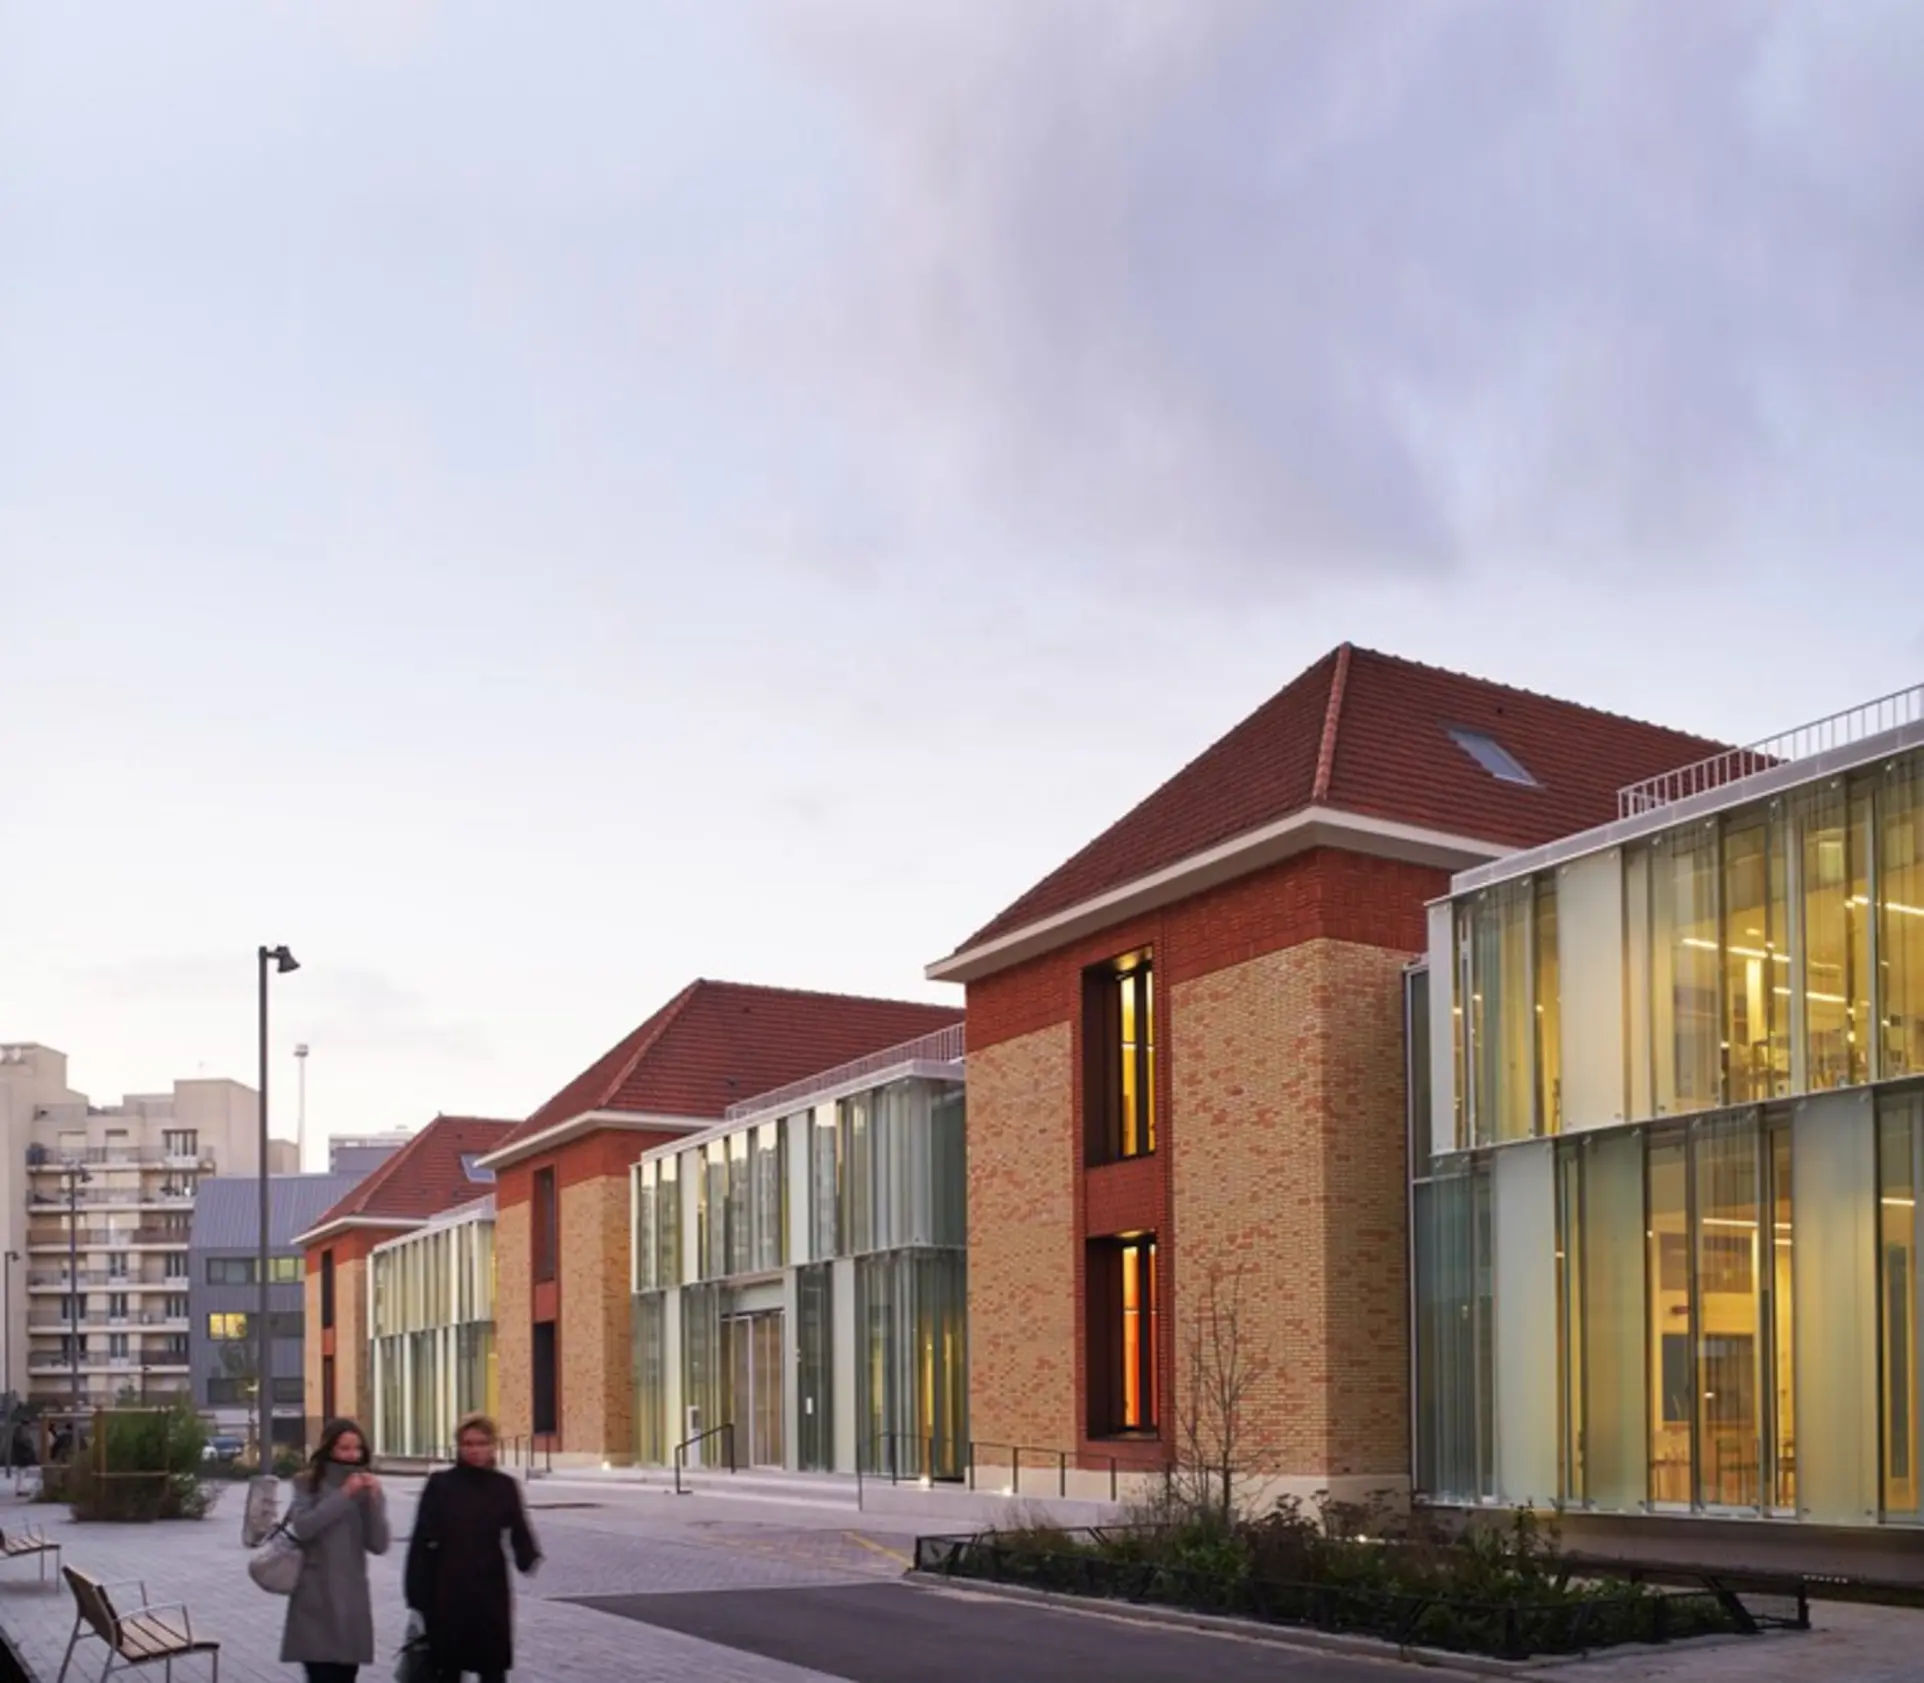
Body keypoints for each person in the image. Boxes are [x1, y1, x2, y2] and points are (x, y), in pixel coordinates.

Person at [405, 1414, 540, 1683]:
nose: (475, 1450)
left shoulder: (504, 1486)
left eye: (481, 1443)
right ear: (459, 1446)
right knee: (448, 1666)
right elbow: (421, 1540)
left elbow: (518, 1527)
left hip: (489, 1587)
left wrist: (527, 1555)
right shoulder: (441, 1485)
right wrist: (417, 1596)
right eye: (468, 1443)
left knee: (492, 1666)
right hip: (447, 1588)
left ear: (492, 1446)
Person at [280, 1418, 389, 1683]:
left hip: (351, 1600)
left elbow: (378, 1544)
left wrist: (374, 1501)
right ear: (329, 1449)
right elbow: (304, 1527)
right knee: (321, 1675)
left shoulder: (366, 1487)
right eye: (344, 1448)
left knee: (346, 1676)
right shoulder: (307, 1484)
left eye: (357, 1448)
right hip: (315, 1598)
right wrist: (344, 1495)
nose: (352, 1455)